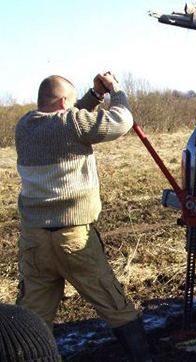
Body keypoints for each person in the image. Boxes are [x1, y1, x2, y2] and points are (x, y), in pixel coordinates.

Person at [14, 73, 152, 362]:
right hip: (74, 240)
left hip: (34, 241)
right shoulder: (72, 124)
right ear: (65, 102)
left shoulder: (24, 126)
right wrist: (116, 90)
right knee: (115, 304)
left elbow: (70, 121)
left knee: (31, 319)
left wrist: (92, 96)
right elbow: (122, 120)